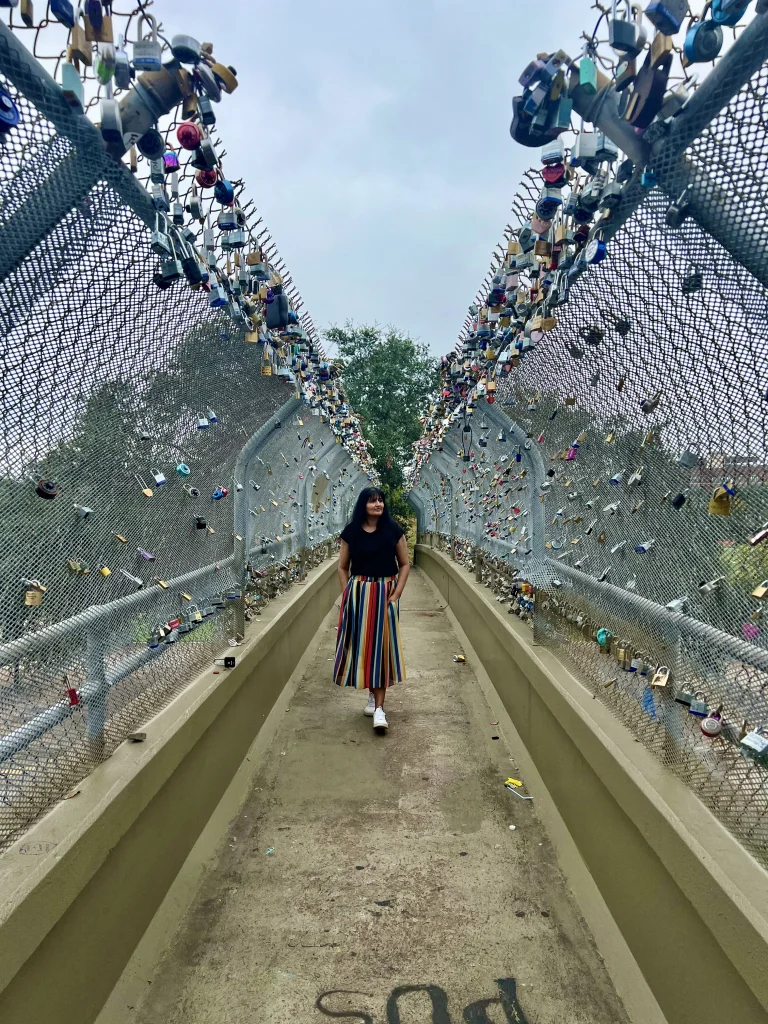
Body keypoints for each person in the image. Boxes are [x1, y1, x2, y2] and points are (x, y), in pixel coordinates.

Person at [334, 487, 409, 734]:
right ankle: (371, 696)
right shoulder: (351, 532)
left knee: (381, 648)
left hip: (384, 593)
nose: (378, 505)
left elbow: (405, 564)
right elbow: (343, 567)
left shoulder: (393, 531)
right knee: (364, 646)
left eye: (380, 501)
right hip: (359, 592)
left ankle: (379, 709)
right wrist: (348, 594)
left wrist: (396, 594)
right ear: (363, 505)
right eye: (372, 501)